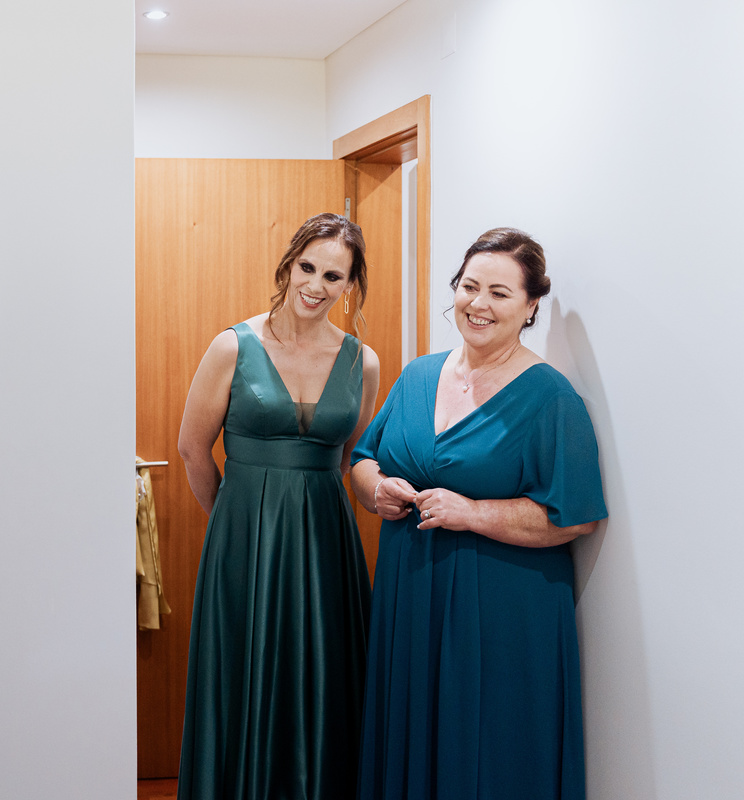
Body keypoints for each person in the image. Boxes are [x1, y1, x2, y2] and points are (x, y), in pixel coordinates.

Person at [350, 228, 608, 799]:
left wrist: (472, 512)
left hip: (501, 611)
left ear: (530, 306)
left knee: (491, 748)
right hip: (411, 595)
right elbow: (363, 458)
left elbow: (575, 517)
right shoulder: (418, 374)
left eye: (499, 292)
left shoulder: (551, 398)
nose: (478, 304)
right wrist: (378, 490)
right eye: (469, 287)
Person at [175, 213, 380, 799]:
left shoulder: (362, 362)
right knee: (245, 673)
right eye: (307, 267)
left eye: (333, 276)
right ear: (288, 265)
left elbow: (349, 458)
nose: (315, 285)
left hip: (326, 546)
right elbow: (192, 449)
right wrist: (235, 524)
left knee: (323, 676)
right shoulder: (232, 347)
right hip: (243, 541)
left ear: (350, 285)